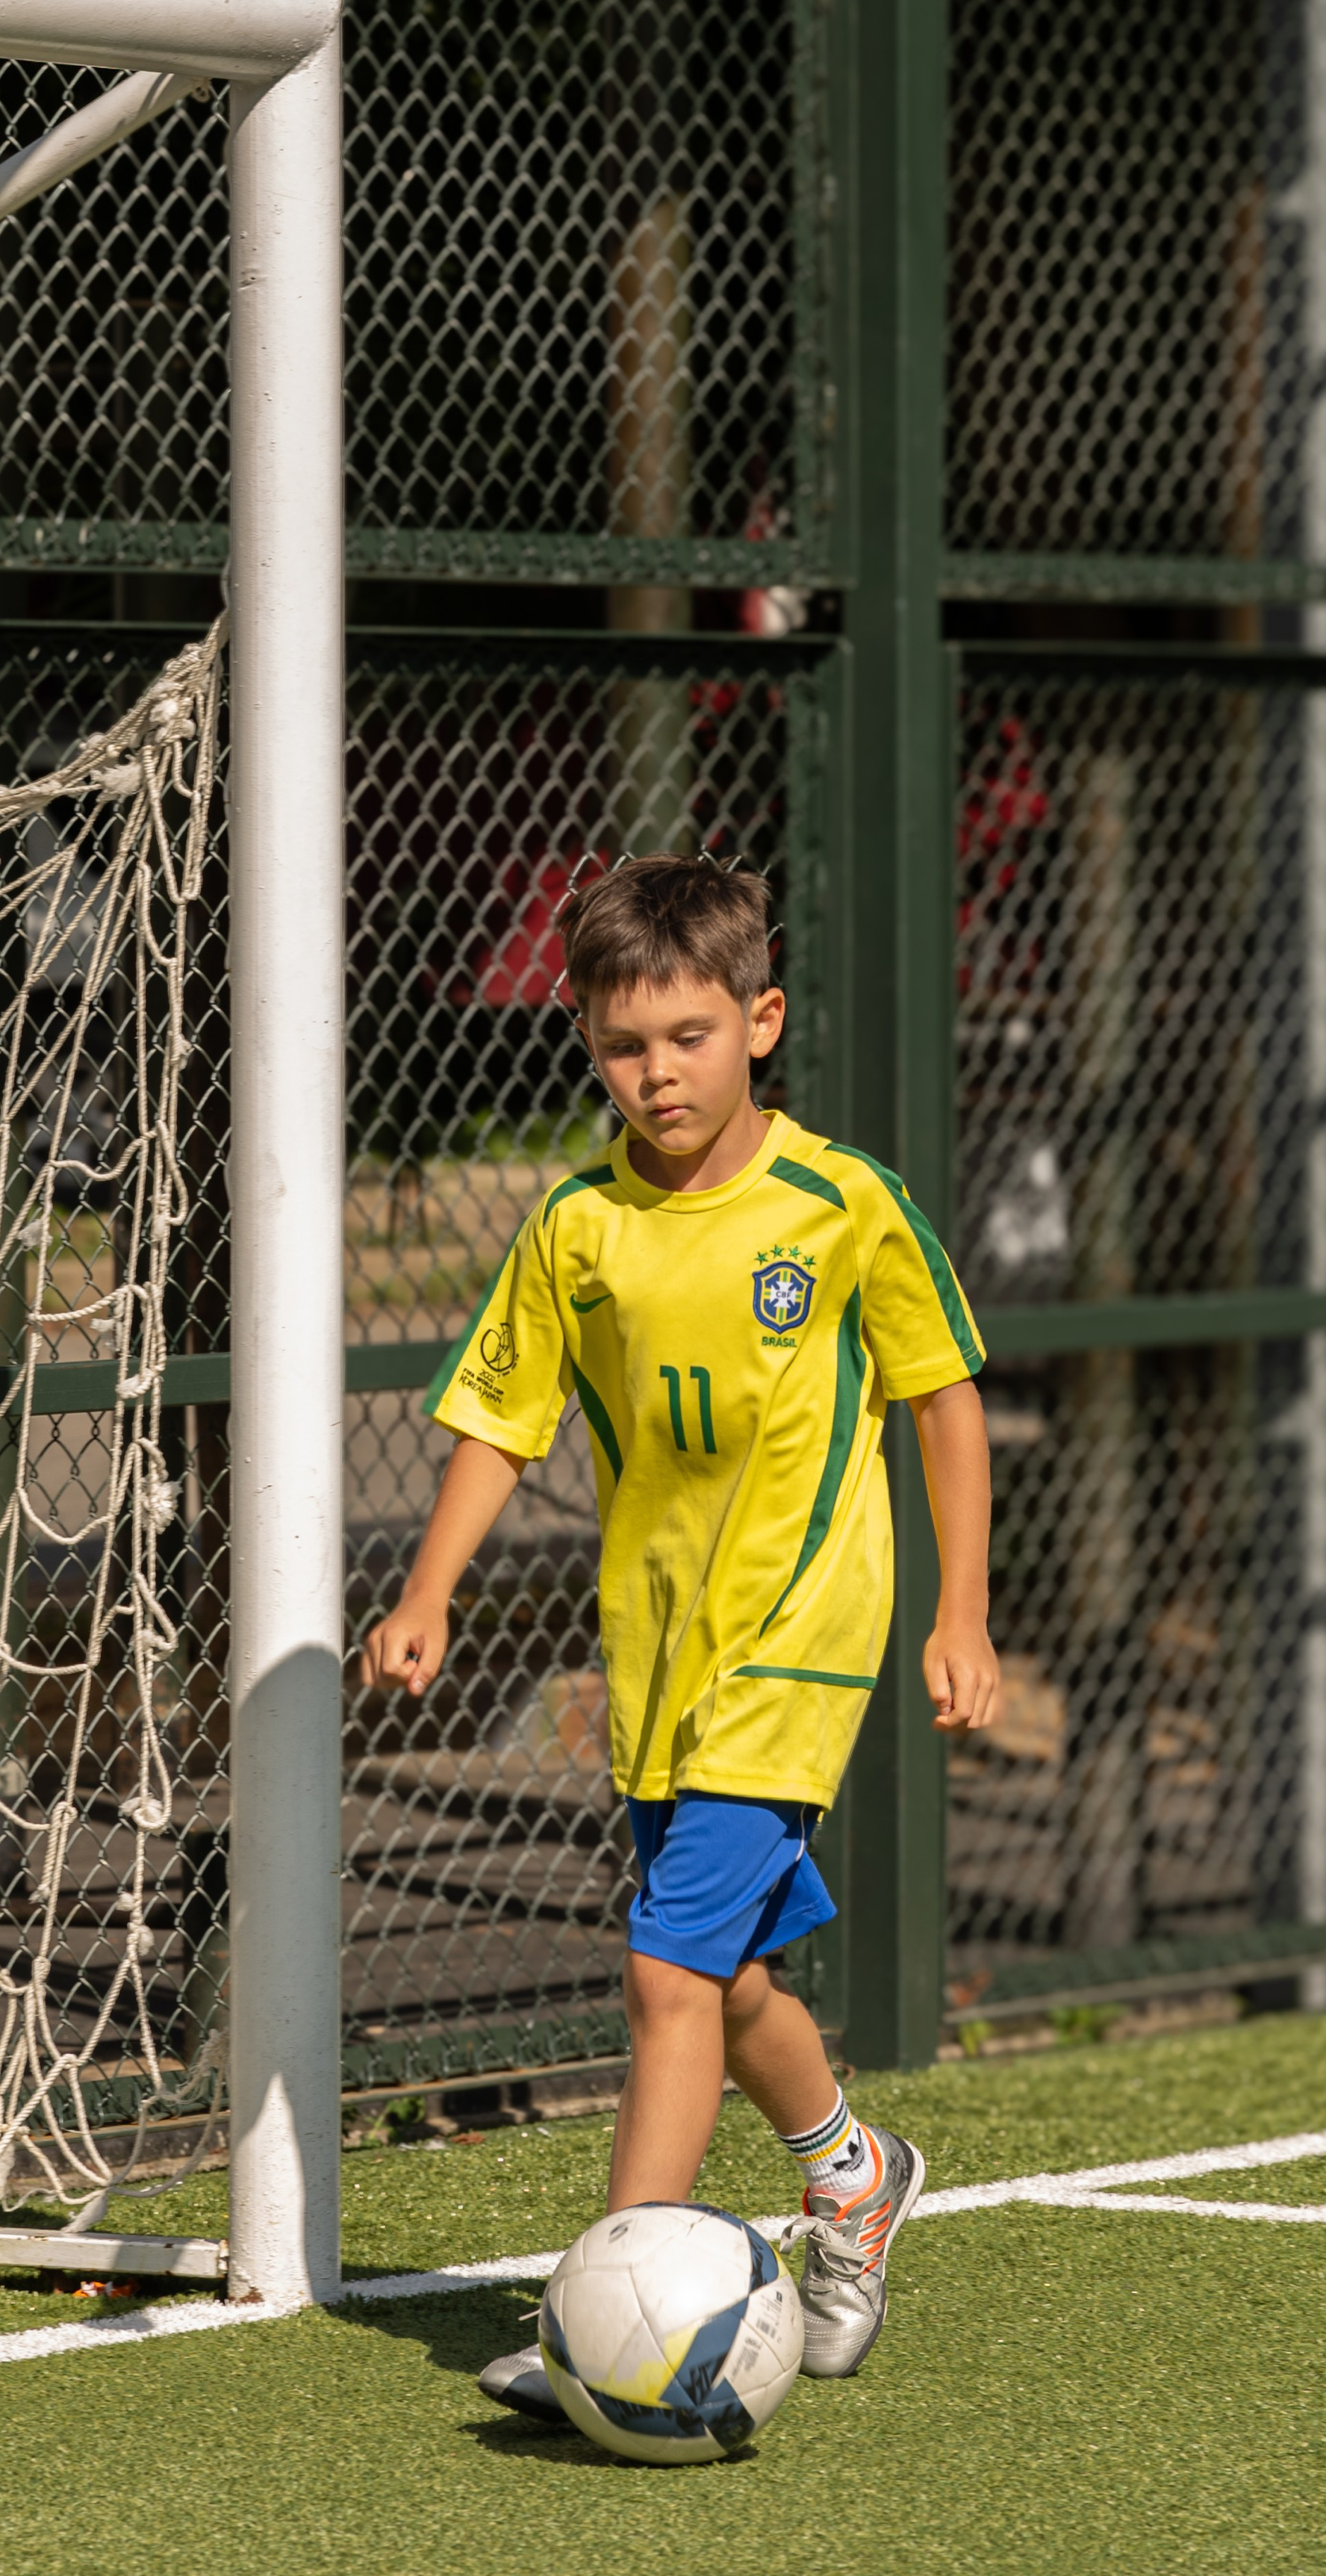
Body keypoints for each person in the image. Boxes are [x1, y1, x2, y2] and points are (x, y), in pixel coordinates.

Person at [358, 852, 999, 2418]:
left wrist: (957, 1610)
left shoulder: (842, 1205)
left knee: (658, 1976)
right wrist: (427, 1588)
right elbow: (498, 1419)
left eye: (691, 1035)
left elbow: (941, 1401)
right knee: (726, 1983)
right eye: (624, 1043)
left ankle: (600, 2310)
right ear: (585, 1039)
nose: (657, 1072)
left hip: (800, 1639)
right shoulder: (576, 1230)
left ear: (758, 1022)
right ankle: (850, 2175)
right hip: (652, 1657)